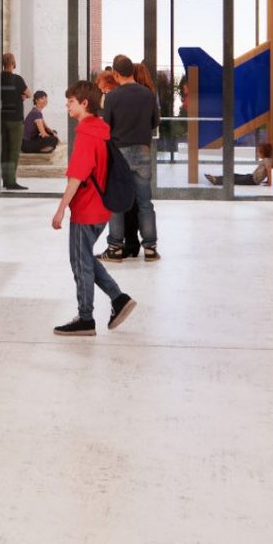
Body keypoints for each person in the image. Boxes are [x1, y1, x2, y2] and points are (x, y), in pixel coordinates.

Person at [51, 80, 136, 336]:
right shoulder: (101, 129)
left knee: (80, 262)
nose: (67, 105)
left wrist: (60, 209)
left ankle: (86, 317)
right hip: (101, 207)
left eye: (71, 102)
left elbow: (77, 176)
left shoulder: (87, 133)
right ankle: (118, 299)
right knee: (84, 257)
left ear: (84, 103)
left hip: (87, 208)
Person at [100, 55, 160, 262]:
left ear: (115, 74)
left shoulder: (113, 97)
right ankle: (150, 248)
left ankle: (115, 247)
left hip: (120, 153)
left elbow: (106, 127)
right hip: (143, 151)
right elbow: (155, 121)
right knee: (145, 202)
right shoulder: (148, 94)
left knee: (116, 202)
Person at [0, 52, 30, 190]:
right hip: (15, 120)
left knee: (4, 150)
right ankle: (11, 182)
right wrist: (21, 96)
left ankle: (5, 179)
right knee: (13, 151)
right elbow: (29, 94)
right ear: (13, 63)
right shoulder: (17, 79)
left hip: (1, 119)